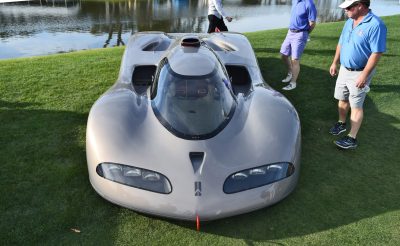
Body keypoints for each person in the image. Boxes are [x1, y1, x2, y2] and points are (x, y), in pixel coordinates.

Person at [329, 0, 387, 150]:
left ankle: (351, 138)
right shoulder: (350, 20)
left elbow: (376, 53)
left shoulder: (376, 25)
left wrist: (364, 75)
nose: (345, 10)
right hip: (344, 69)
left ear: (360, 6)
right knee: (342, 99)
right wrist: (335, 62)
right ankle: (341, 123)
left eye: (348, 7)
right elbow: (341, 43)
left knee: (356, 105)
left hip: (360, 72)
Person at [280, 0, 317, 91]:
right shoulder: (295, 1)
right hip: (290, 32)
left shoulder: (309, 3)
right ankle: (290, 72)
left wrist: (305, 33)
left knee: (295, 60)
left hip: (300, 34)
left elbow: (312, 23)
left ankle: (293, 83)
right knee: (283, 55)